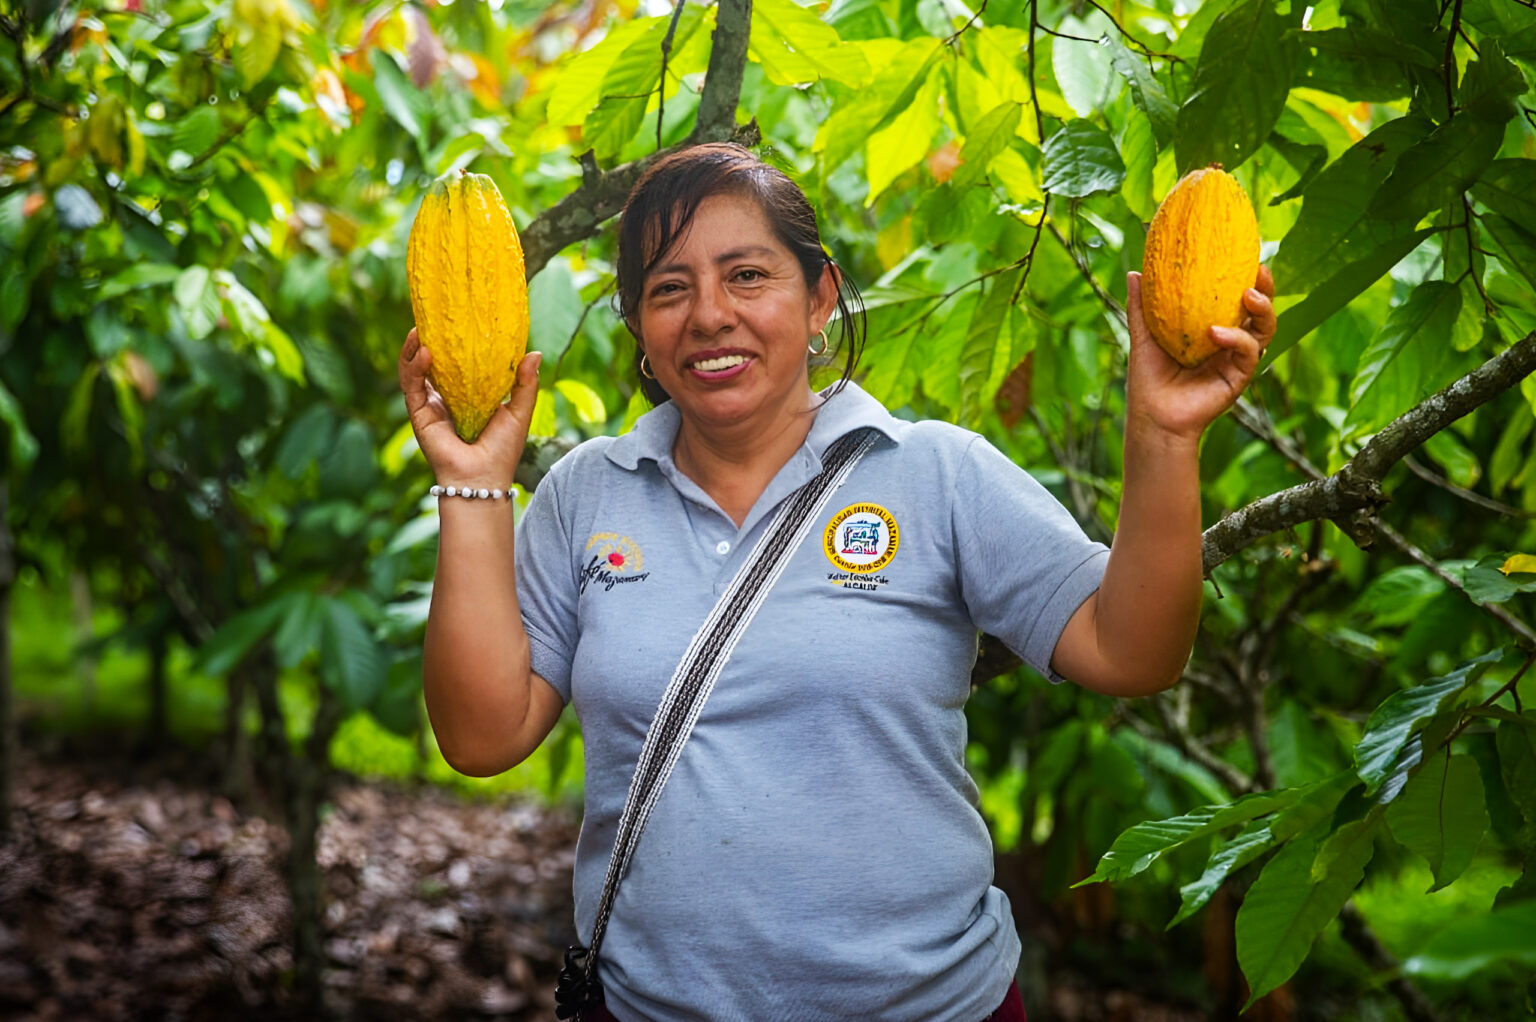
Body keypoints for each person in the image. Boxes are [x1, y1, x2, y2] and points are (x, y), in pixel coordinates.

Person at [397, 142, 1276, 1022]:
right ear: (637, 327)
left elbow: (1132, 653)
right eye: (669, 289)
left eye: (748, 275)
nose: (709, 314)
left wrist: (1164, 437)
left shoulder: (935, 473)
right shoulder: (588, 492)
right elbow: (481, 738)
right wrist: (473, 480)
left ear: (821, 297)